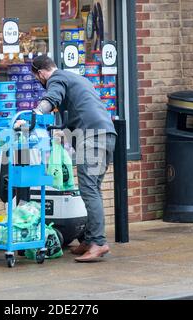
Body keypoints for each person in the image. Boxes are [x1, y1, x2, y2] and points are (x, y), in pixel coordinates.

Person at [29, 55, 117, 262]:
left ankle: (98, 243)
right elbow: (80, 109)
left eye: (38, 78)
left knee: (89, 190)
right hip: (105, 135)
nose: (41, 82)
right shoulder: (77, 78)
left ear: (40, 73)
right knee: (91, 190)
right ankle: (88, 239)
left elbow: (52, 98)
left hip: (93, 138)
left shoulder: (56, 79)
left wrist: (35, 114)